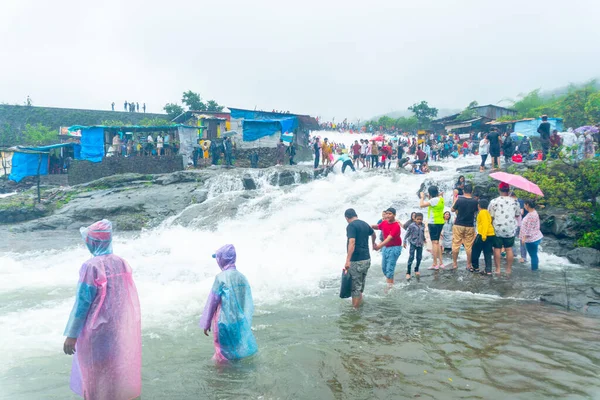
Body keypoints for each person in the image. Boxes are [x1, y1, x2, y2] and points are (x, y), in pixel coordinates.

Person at [63, 220, 141, 400]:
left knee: (92, 373)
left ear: (93, 241)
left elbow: (82, 303)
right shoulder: (121, 263)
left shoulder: (90, 266)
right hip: (115, 328)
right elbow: (125, 297)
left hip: (94, 331)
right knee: (112, 369)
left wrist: (71, 335)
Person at [199, 244, 258, 362]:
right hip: (239, 321)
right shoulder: (242, 277)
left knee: (222, 352)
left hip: (224, 322)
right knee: (236, 348)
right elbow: (246, 300)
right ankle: (236, 371)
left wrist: (206, 323)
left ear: (221, 260)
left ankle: (222, 376)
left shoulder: (221, 278)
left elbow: (212, 301)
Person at [344, 208, 376, 308]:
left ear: (346, 218)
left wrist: (348, 260)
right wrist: (373, 244)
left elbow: (352, 242)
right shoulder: (365, 224)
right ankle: (359, 306)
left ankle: (355, 311)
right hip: (366, 259)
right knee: (360, 286)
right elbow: (373, 233)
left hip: (356, 260)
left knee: (355, 288)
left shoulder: (351, 226)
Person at [489, 182, 521, 275]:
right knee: (509, 249)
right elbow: (518, 214)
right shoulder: (515, 201)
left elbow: (491, 215)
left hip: (497, 228)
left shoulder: (494, 201)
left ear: (499, 190)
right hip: (510, 229)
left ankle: (498, 269)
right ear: (509, 190)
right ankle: (508, 270)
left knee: (497, 249)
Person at [450, 183, 478, 270]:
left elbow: (452, 209)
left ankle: (454, 264)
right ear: (472, 191)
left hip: (458, 224)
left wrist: (455, 199)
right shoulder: (475, 201)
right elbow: (476, 213)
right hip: (469, 225)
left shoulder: (460, 200)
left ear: (463, 191)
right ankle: (468, 264)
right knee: (469, 246)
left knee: (456, 244)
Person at [372, 208, 402, 286]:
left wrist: (378, 246)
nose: (388, 215)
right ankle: (391, 282)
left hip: (395, 248)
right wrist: (367, 226)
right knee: (384, 268)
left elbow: (389, 238)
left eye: (390, 214)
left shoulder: (396, 226)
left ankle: (389, 289)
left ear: (394, 215)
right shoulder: (384, 222)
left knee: (389, 269)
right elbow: (378, 227)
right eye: (387, 213)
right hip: (386, 248)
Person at [420, 186, 445, 269]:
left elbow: (421, 205)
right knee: (437, 243)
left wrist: (422, 197)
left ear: (430, 193)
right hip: (440, 222)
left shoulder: (433, 200)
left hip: (433, 223)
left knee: (434, 243)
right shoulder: (441, 198)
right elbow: (439, 195)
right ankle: (441, 263)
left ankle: (435, 264)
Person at [470, 199, 495, 275]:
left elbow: (485, 224)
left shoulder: (482, 212)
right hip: (491, 234)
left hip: (483, 234)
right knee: (487, 252)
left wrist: (483, 236)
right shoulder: (487, 212)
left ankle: (475, 267)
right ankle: (488, 270)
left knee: (475, 250)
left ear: (479, 205)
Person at [520, 200, 543, 271]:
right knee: (534, 255)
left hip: (531, 239)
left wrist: (524, 238)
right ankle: (535, 268)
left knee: (533, 255)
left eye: (524, 205)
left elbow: (529, 228)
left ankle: (534, 270)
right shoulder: (534, 212)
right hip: (536, 236)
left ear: (527, 205)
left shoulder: (531, 215)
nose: (523, 206)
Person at [403, 212, 425, 280]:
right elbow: (407, 234)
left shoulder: (423, 225)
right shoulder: (412, 225)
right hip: (413, 243)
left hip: (420, 244)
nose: (419, 221)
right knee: (411, 257)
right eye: (418, 219)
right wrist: (404, 241)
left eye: (420, 219)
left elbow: (422, 233)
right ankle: (408, 272)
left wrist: (424, 239)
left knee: (419, 257)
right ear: (415, 219)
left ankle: (416, 269)